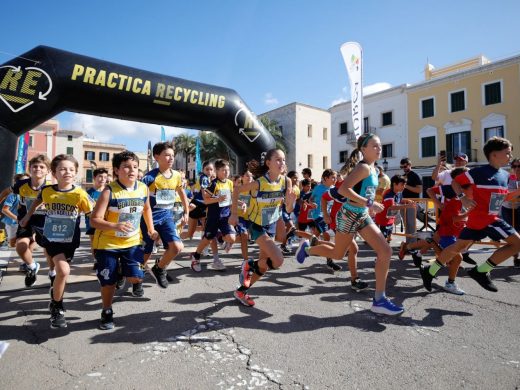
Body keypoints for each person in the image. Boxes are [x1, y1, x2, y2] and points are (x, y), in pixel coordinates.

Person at [295, 134, 404, 315]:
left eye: (380, 145)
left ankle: (379, 299)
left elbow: (364, 193)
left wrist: (369, 207)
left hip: (362, 215)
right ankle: (307, 249)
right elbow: (343, 189)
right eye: (375, 146)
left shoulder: (374, 169)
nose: (379, 149)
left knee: (385, 250)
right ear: (363, 149)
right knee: (338, 254)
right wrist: (369, 204)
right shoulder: (363, 168)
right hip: (348, 215)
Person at [419, 137, 520, 293]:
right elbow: (456, 182)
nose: (510, 156)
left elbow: (501, 199)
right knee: (517, 243)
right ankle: (481, 271)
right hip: (486, 219)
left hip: (480, 219)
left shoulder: (504, 175)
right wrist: (463, 198)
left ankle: (430, 271)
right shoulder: (479, 172)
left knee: (457, 247)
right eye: (507, 153)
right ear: (493, 154)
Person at [20, 155, 93, 329]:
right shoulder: (47, 191)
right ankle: (57, 306)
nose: (67, 172)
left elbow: (92, 213)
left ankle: (55, 298)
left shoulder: (80, 194)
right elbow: (36, 202)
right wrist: (26, 218)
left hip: (70, 241)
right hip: (51, 238)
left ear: (75, 173)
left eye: (71, 169)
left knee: (61, 273)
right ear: (54, 173)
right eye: (62, 169)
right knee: (64, 270)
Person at [91, 150, 157, 330]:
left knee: (136, 278)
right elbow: (94, 220)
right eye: (126, 167)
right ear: (116, 170)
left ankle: (121, 271)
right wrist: (115, 226)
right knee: (108, 282)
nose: (132, 170)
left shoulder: (143, 188)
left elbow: (146, 209)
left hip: (132, 242)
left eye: (135, 167)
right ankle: (107, 311)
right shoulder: (109, 191)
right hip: (107, 244)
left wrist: (151, 230)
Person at [230, 149, 296, 306]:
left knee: (264, 265)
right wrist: (234, 214)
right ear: (268, 163)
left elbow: (288, 210)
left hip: (271, 224)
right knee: (278, 260)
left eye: (284, 160)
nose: (282, 163)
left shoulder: (286, 181)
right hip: (256, 225)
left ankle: (241, 291)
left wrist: (289, 203)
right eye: (278, 160)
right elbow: (237, 190)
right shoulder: (259, 183)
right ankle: (249, 265)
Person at [139, 141, 189, 293]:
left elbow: (182, 194)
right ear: (156, 157)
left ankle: (159, 268)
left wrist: (186, 212)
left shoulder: (177, 176)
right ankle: (135, 276)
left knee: (176, 247)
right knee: (146, 252)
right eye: (167, 155)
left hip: (167, 218)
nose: (171, 158)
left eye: (172, 155)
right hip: (149, 219)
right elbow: (139, 199)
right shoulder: (149, 178)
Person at [0, 154, 52, 287]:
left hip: (44, 222)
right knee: (20, 246)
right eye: (35, 166)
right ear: (30, 169)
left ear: (48, 171)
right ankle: (32, 266)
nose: (38, 169)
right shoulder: (22, 185)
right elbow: (6, 191)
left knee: (49, 250)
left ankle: (53, 272)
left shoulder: (51, 187)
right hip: (25, 220)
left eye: (42, 167)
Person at [190, 159, 235, 272]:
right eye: (223, 170)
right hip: (213, 216)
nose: (226, 172)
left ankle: (220, 237)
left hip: (225, 216)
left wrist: (240, 203)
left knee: (231, 238)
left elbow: (231, 198)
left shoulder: (229, 183)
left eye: (228, 170)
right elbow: (206, 200)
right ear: (217, 171)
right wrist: (217, 199)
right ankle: (196, 255)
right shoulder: (213, 184)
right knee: (207, 239)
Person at [374, 175, 415, 243]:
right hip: (383, 220)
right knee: (382, 241)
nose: (404, 186)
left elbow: (399, 200)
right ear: (394, 184)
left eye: (404, 184)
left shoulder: (399, 193)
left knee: (388, 239)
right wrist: (407, 206)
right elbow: (392, 207)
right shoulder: (389, 194)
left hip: (390, 219)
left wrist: (407, 200)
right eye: (402, 184)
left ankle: (385, 246)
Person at [400, 157, 423, 264]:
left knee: (412, 226)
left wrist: (406, 186)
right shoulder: (403, 176)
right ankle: (408, 245)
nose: (404, 168)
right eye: (402, 167)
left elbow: (419, 189)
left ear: (410, 165)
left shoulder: (415, 175)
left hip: (412, 203)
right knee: (407, 226)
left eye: (405, 166)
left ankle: (413, 246)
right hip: (404, 203)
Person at [86, 168, 109, 265]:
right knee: (93, 241)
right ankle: (96, 260)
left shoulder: (109, 191)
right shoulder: (88, 193)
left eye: (104, 177)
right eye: (100, 176)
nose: (102, 179)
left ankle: (104, 259)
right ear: (94, 177)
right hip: (92, 221)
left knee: (104, 240)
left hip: (105, 221)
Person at [1, 174, 29, 253]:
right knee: (13, 244)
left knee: (29, 240)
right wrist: (17, 219)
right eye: (23, 181)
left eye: (28, 181)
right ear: (17, 183)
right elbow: (4, 210)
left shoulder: (31, 194)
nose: (26, 183)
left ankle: (26, 256)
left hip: (26, 222)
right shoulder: (13, 195)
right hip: (13, 223)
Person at [501, 158, 520, 267]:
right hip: (508, 208)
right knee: (513, 233)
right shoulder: (508, 178)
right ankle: (515, 258)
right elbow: (505, 193)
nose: (517, 169)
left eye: (519, 166)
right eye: (514, 166)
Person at [234, 170, 254, 264]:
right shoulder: (238, 188)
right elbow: (231, 200)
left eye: (251, 176)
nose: (249, 177)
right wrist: (241, 203)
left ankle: (228, 240)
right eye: (247, 175)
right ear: (242, 177)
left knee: (249, 237)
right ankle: (246, 260)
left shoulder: (254, 189)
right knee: (244, 236)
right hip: (240, 217)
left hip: (251, 217)